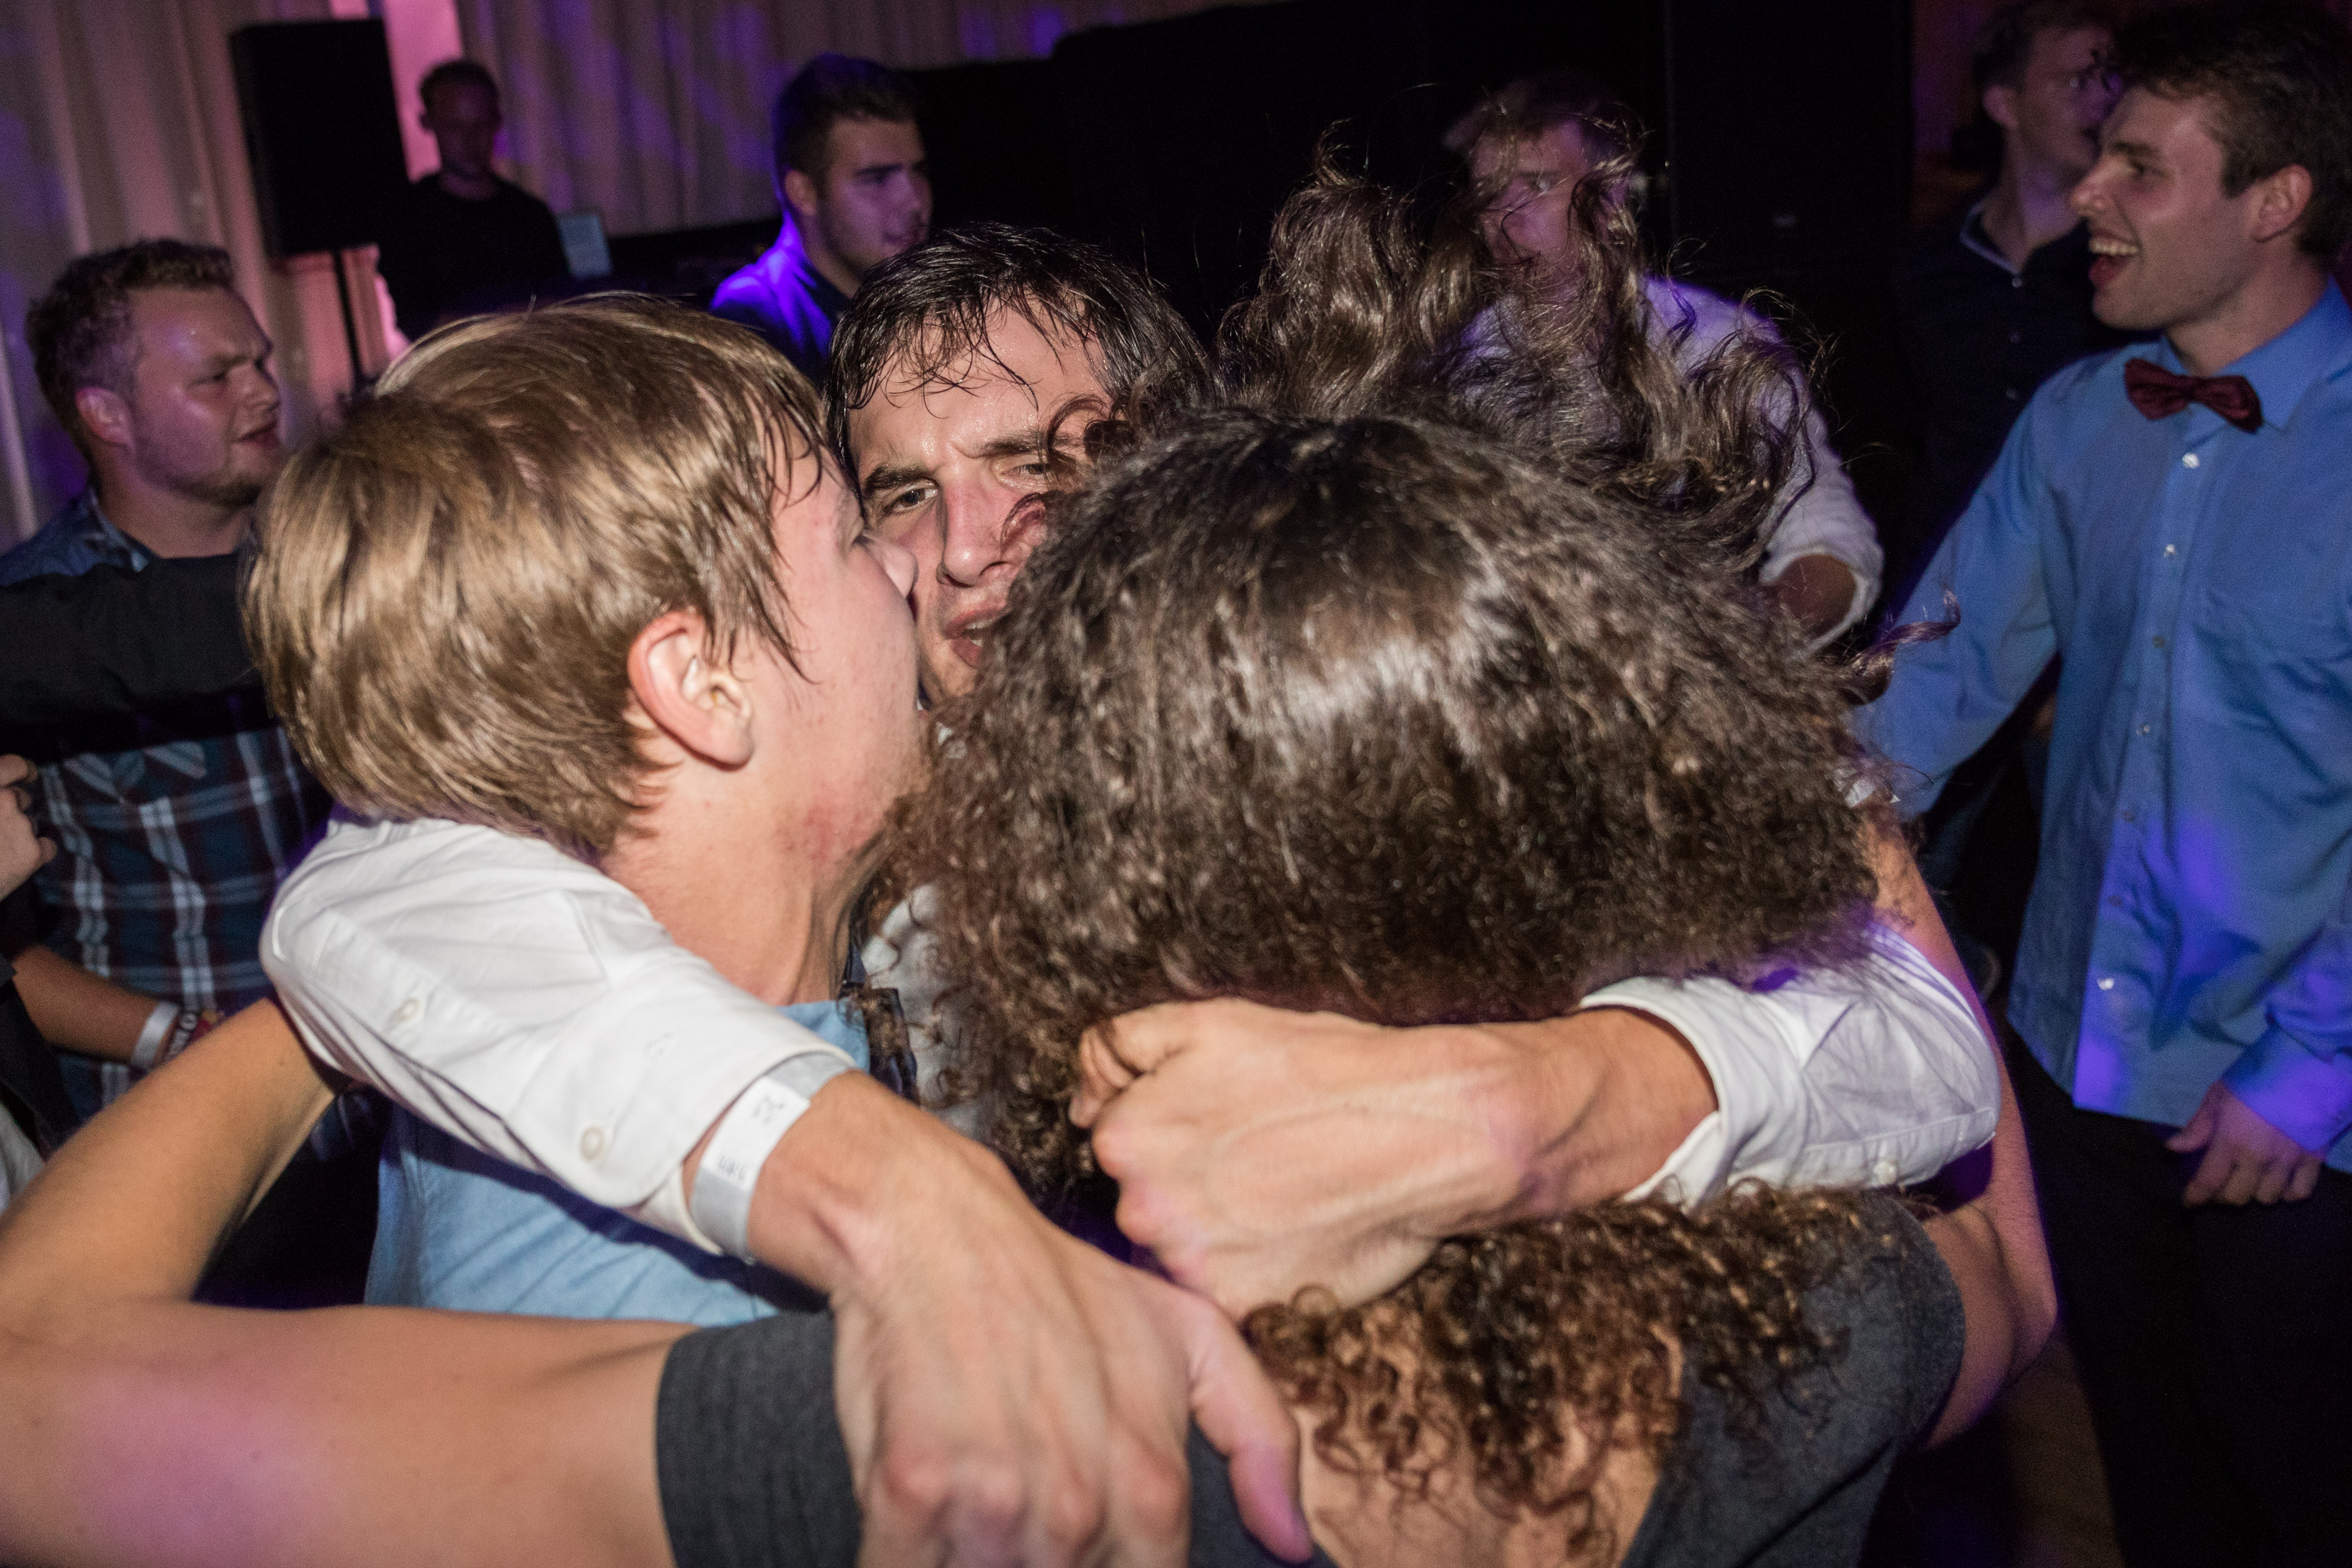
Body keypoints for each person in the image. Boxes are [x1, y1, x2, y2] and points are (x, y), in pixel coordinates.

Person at [0, 400, 2052, 1568]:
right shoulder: (1807, 1301)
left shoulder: (993, 1431)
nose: (937, 572)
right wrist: (1695, 883)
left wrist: (329, 969)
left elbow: (38, 1403)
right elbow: (2011, 1275)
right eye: (873, 518)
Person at [266, 215, 1999, 1335]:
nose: (964, 553)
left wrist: (1544, 1095)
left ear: (1171, 466)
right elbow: (382, 885)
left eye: (1033, 463)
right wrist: (863, 1182)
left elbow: (1908, 1038)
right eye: (899, 497)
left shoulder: (1347, 710)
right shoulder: (853, 785)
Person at [241, 294, 1310, 1563]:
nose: (920, 564)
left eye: (1032, 468)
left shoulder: (567, 1021)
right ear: (698, 683)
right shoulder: (657, 1332)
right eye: (862, 528)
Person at [1855, 6, 2352, 1563]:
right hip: (2076, 1061)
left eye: (2141, 165)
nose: (2088, 193)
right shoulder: (2079, 417)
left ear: (2273, 200)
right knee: (2151, 1475)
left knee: (2304, 1490)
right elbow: (1935, 679)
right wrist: (1784, 835)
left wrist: (2312, 1063)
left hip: (2290, 1099)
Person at [0, 241, 328, 1123]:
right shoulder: (35, 620)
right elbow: (9, 948)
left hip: (378, 1091)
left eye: (260, 361)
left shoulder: (335, 550)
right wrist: (178, 1037)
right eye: (216, 377)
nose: (264, 391)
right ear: (107, 414)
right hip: (176, 1114)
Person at [1452, 69, 1886, 646]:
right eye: (1488, 193)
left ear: (1613, 195)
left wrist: (1731, 647)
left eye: (1537, 184)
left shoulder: (1717, 344)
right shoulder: (1460, 359)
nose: (1506, 218)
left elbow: (1831, 542)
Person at [1896, 0, 2135, 564]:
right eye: (2078, 81)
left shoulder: (2134, 265)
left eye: (2111, 78)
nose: (2103, 100)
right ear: (2005, 105)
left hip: (2087, 564)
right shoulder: (1930, 263)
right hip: (1950, 564)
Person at [712, 54, 932, 380]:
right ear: (804, 193)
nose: (914, 201)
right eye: (877, 179)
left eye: (919, 172)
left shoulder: (929, 294)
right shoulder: (754, 319)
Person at [374, 59, 569, 342]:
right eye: (455, 127)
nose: (469, 140)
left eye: (480, 125)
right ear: (428, 123)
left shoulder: (530, 215)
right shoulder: (408, 219)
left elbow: (561, 307)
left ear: (497, 123)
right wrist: (513, 319)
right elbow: (418, 322)